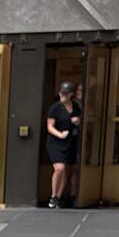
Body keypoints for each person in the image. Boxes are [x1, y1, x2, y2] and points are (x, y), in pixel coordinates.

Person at [47, 76, 80, 206]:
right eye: (61, 93)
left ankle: (58, 198)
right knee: (59, 168)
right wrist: (60, 135)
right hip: (56, 142)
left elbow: (80, 120)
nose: (62, 95)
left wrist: (77, 121)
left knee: (67, 170)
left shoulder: (75, 107)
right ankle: (53, 196)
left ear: (71, 94)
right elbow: (49, 126)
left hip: (70, 142)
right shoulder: (55, 108)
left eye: (65, 94)